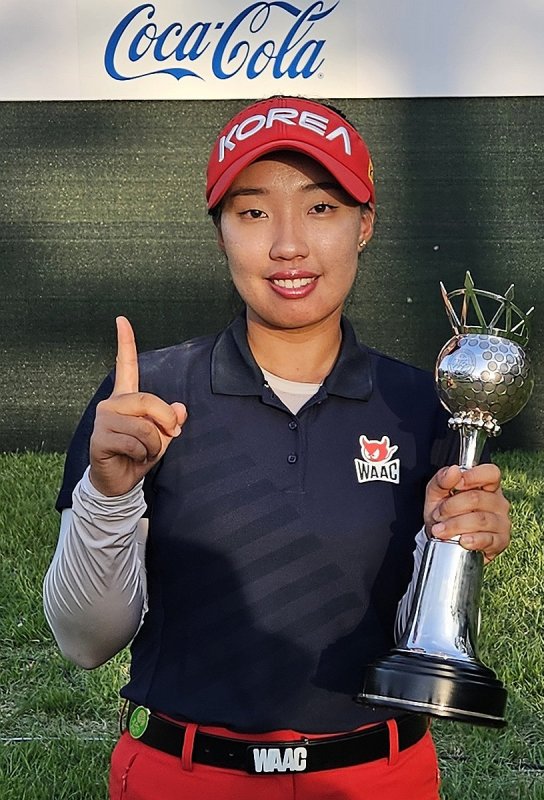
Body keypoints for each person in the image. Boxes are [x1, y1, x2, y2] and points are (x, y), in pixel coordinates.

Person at [43, 96, 511, 800]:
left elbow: (420, 640)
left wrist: (460, 542)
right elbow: (87, 641)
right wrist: (108, 493)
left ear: (365, 225)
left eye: (320, 208)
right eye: (253, 211)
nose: (288, 243)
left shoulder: (424, 403)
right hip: (184, 776)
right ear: (221, 231)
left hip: (376, 776)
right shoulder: (147, 396)